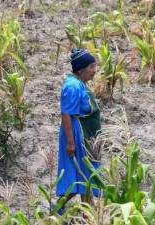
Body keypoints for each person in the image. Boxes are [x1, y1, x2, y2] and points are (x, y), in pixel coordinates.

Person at [56, 48, 101, 210]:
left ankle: (87, 213)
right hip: (76, 135)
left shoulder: (79, 84)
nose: (94, 71)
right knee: (80, 176)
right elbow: (66, 114)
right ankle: (57, 211)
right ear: (80, 69)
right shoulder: (72, 86)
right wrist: (70, 142)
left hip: (83, 135)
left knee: (84, 176)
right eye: (91, 67)